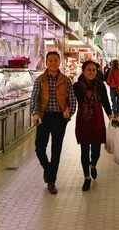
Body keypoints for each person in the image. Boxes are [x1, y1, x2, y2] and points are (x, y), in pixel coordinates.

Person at [31, 51, 77, 195]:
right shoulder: (40, 80)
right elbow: (34, 98)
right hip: (44, 117)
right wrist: (35, 113)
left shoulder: (65, 80)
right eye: (50, 60)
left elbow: (72, 99)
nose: (53, 63)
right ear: (46, 62)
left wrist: (69, 114)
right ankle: (47, 167)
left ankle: (52, 181)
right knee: (39, 148)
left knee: (56, 150)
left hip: (59, 118)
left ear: (60, 62)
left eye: (55, 60)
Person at [74, 60, 114, 191]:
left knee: (96, 150)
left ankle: (93, 165)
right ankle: (86, 177)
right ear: (83, 71)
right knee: (84, 150)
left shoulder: (101, 86)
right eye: (88, 70)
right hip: (83, 121)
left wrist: (111, 116)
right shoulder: (76, 86)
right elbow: (69, 100)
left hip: (97, 120)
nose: (91, 72)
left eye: (93, 70)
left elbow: (106, 103)